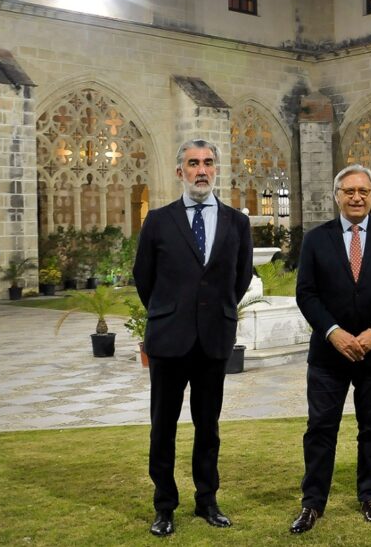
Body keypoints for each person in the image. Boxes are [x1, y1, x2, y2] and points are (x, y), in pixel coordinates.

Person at [132, 139, 254, 538]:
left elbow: (239, 279)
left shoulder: (237, 222)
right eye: (193, 163)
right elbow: (143, 278)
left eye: (208, 163)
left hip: (213, 340)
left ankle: (207, 500)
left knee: (208, 427)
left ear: (216, 169)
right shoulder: (159, 220)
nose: (201, 170)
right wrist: (170, 312)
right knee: (162, 427)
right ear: (179, 171)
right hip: (169, 339)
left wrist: (214, 312)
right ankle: (164, 506)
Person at [289, 164, 371, 534]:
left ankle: (370, 496)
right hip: (330, 353)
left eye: (363, 191)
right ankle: (312, 504)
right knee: (320, 429)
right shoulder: (316, 238)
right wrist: (333, 332)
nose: (357, 197)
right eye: (349, 192)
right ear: (337, 196)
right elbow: (305, 293)